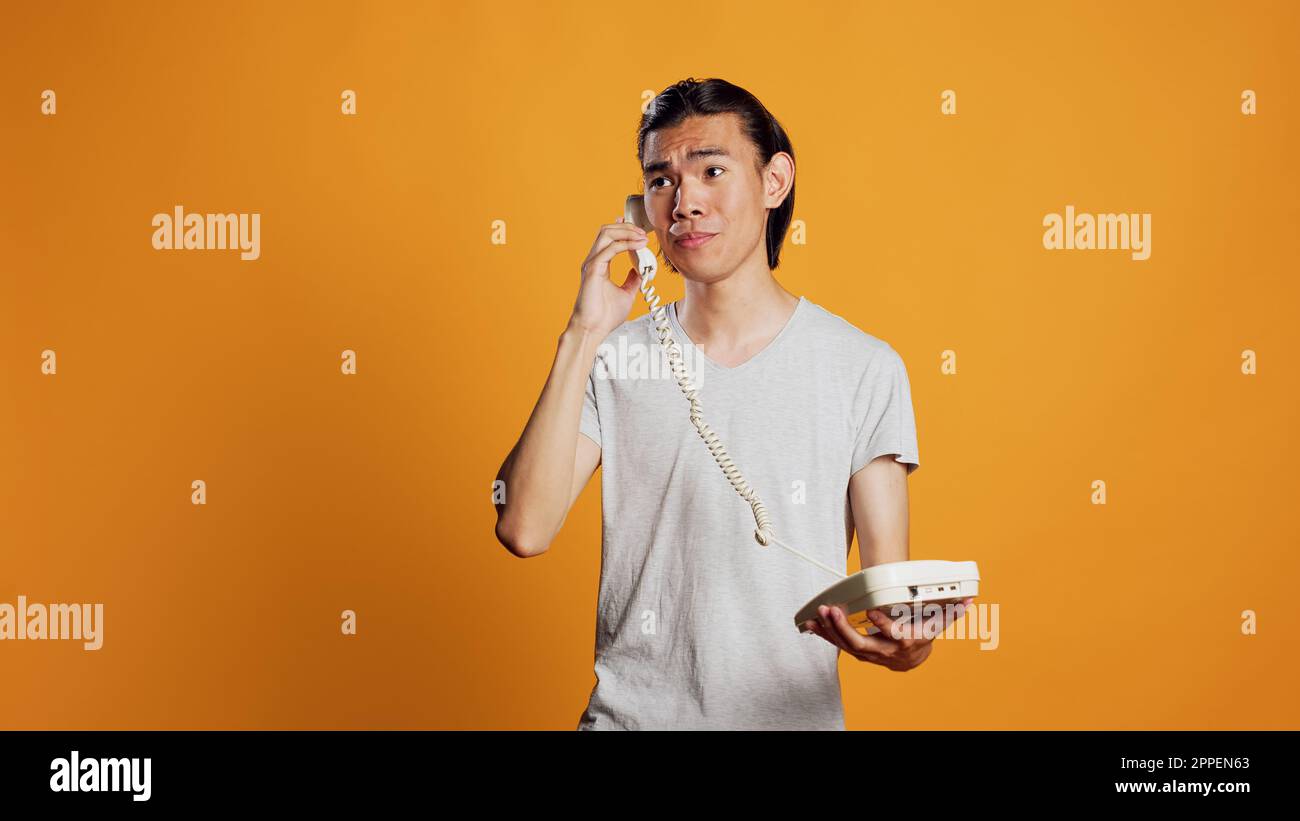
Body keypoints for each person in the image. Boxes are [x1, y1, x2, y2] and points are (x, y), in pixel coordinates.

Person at [493, 77, 966, 730]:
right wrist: (584, 330)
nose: (684, 201)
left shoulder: (865, 368)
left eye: (711, 170)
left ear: (774, 182)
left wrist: (910, 643)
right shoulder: (611, 358)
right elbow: (523, 527)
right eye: (661, 181)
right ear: (641, 207)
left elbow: (889, 604)